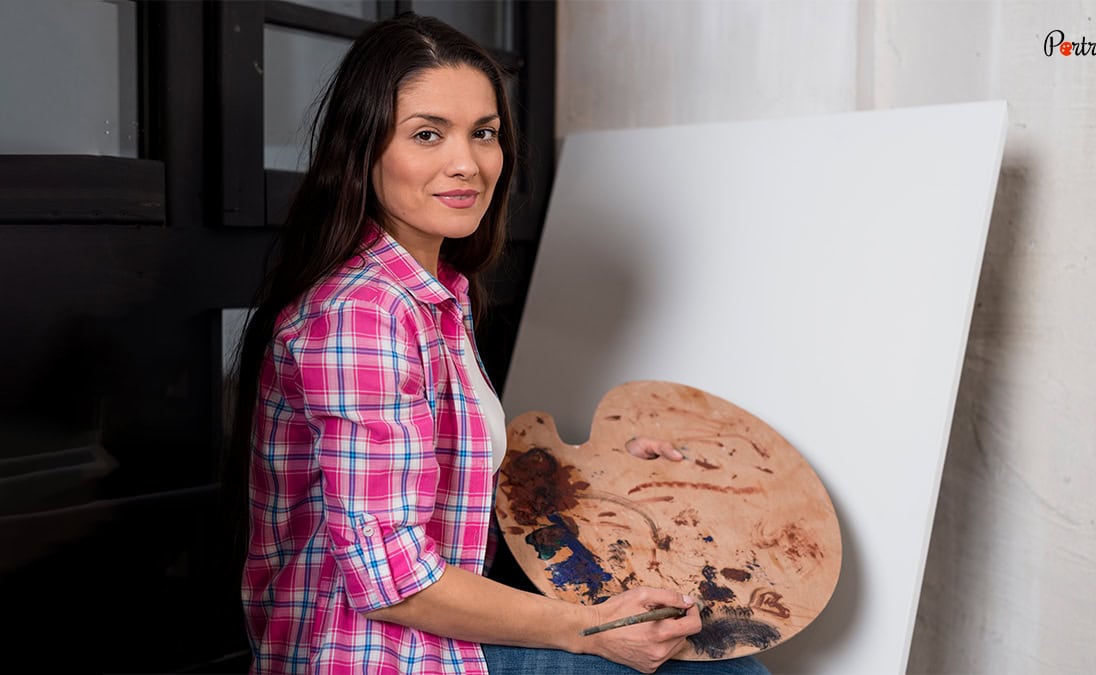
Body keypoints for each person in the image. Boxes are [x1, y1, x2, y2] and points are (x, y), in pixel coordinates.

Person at [227, 13, 771, 675]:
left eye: (483, 134)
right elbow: (395, 578)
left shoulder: (430, 292)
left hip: (429, 629)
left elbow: (446, 473)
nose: (467, 164)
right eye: (428, 134)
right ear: (363, 150)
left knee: (712, 636)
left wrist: (612, 473)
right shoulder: (361, 314)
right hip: (373, 654)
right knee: (725, 671)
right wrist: (590, 629)